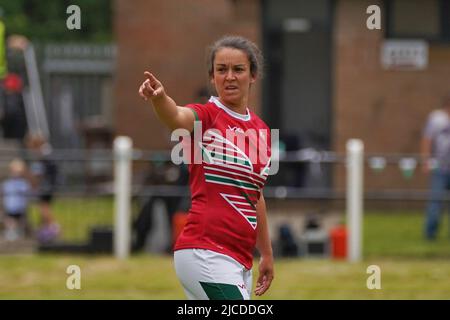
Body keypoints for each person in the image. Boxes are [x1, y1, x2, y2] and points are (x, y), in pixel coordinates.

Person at [138, 35, 274, 299]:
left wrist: (266, 253)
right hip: (205, 252)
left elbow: (255, 196)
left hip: (239, 260)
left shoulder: (262, 131)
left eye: (238, 69)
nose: (230, 77)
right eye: (222, 70)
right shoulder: (207, 116)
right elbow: (177, 117)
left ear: (253, 75)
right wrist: (159, 98)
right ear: (212, 77)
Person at [421, 95, 450, 240]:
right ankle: (430, 235)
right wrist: (426, 160)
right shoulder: (436, 118)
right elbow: (427, 139)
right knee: (435, 201)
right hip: (440, 167)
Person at [26, 133, 60, 243]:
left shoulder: (43, 155)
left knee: (44, 208)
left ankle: (54, 229)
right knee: (43, 208)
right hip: (49, 185)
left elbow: (40, 173)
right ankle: (46, 230)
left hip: (46, 186)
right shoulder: (47, 153)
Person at [2, 158, 31, 241]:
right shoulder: (7, 183)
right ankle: (12, 233)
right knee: (9, 220)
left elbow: (26, 194)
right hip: (10, 207)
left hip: (20, 207)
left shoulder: (23, 183)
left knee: (21, 221)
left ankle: (20, 233)